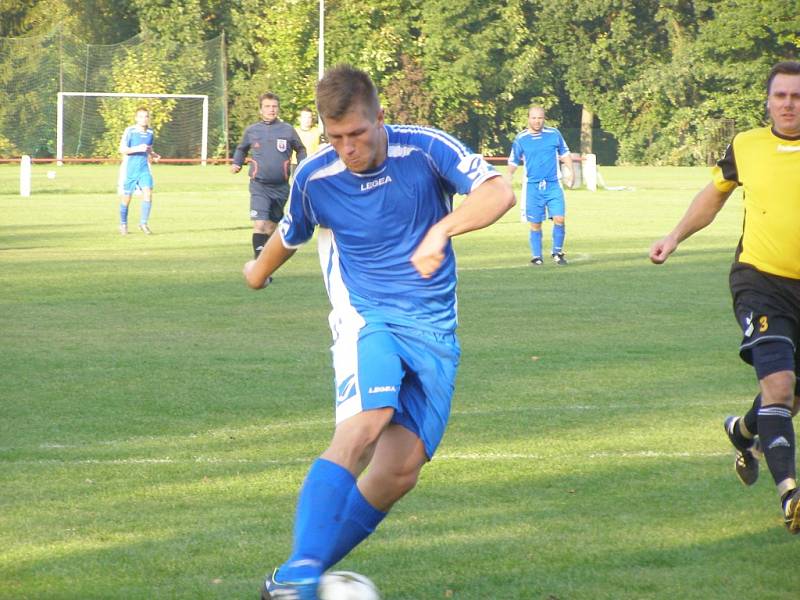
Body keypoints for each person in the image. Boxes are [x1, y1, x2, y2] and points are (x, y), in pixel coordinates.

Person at [243, 65, 515, 599]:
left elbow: (498, 192)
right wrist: (257, 271)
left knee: (398, 471)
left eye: (357, 134)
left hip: (434, 330)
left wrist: (442, 229)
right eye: (335, 136)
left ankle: (288, 580)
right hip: (366, 318)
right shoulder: (315, 177)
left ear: (380, 118)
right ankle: (302, 573)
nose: (348, 147)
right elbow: (291, 231)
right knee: (366, 424)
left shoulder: (424, 149)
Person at [650, 61, 800, 534]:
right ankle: (790, 496)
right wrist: (674, 236)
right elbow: (713, 196)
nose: (789, 104)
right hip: (761, 280)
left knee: (789, 397)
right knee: (779, 385)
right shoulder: (747, 146)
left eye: (797, 96)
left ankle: (743, 431)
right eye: (781, 96)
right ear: (768, 100)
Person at [231, 92, 307, 258]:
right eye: (267, 106)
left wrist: (302, 165)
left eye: (274, 107)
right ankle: (259, 262)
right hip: (259, 185)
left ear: (278, 109)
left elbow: (300, 149)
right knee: (260, 224)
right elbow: (241, 148)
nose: (271, 110)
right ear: (260, 110)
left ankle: (265, 263)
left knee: (271, 227)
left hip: (281, 187)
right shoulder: (252, 130)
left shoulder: (287, 130)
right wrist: (237, 162)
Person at [506, 105, 574, 265]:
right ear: (529, 119)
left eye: (540, 118)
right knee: (535, 223)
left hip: (553, 185)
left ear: (544, 119)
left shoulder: (554, 134)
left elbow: (565, 154)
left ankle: (557, 253)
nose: (537, 121)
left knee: (559, 218)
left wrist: (571, 172)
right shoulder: (521, 138)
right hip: (532, 187)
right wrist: (508, 176)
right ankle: (537, 257)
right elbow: (513, 160)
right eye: (534, 118)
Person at [118, 107, 159, 235]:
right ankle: (123, 224)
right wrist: (137, 148)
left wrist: (154, 155)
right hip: (130, 169)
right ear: (136, 118)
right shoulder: (130, 131)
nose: (144, 119)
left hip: (144, 169)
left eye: (146, 116)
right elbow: (123, 149)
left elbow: (148, 149)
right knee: (126, 198)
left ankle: (143, 223)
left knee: (148, 193)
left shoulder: (151, 132)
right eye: (141, 116)